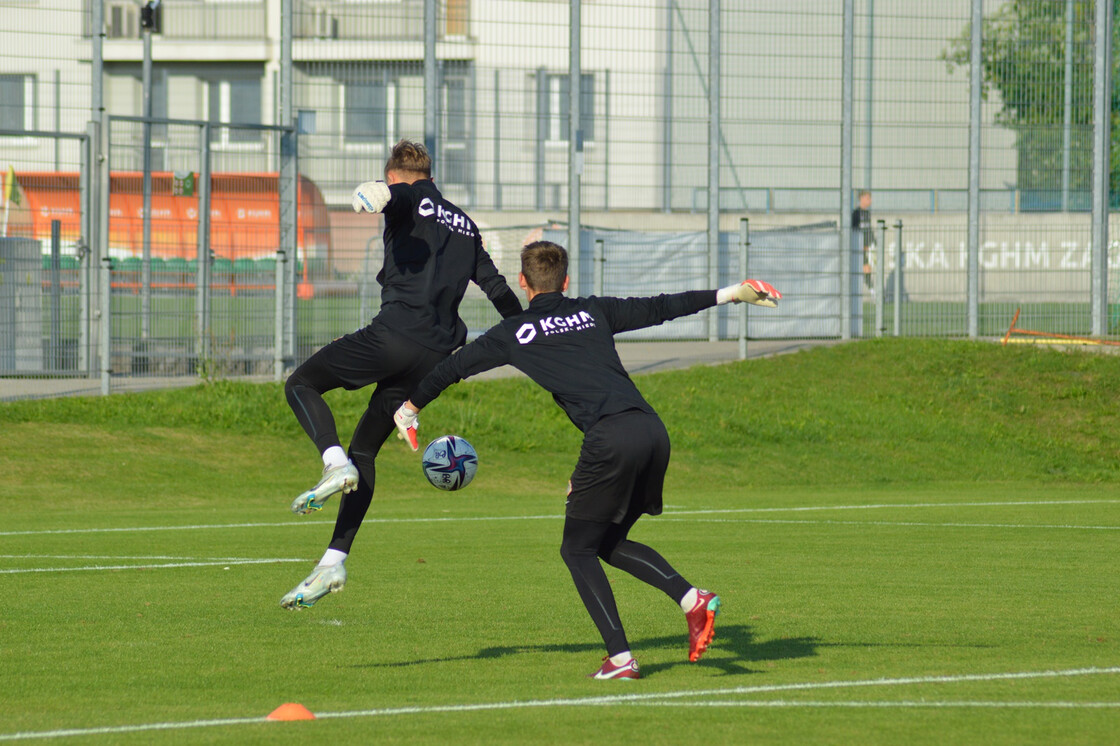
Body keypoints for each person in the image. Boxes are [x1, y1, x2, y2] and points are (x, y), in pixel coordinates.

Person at [392, 241, 781, 679]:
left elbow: (451, 368)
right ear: (567, 280)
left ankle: (621, 658)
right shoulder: (594, 311)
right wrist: (731, 293)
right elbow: (661, 307)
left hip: (611, 438)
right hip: (651, 431)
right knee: (606, 543)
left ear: (523, 283)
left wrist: (409, 409)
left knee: (577, 548)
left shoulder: (514, 332)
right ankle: (691, 600)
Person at [279, 139, 522, 610]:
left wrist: (378, 192)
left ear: (396, 176)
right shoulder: (466, 225)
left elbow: (406, 197)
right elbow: (496, 287)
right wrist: (526, 329)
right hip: (438, 354)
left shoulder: (408, 195)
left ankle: (331, 462)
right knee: (366, 448)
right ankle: (332, 561)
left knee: (301, 384)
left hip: (394, 335)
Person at [852, 190, 874, 290]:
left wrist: (871, 242)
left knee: (867, 268)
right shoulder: (856, 213)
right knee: (864, 268)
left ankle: (873, 290)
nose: (870, 200)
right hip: (858, 246)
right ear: (861, 198)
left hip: (866, 246)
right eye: (868, 198)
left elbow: (868, 230)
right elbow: (854, 230)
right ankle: (873, 291)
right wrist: (859, 245)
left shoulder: (867, 213)